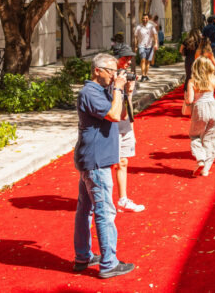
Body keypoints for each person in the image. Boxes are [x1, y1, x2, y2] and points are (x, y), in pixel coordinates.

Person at [73, 53, 136, 279]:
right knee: (104, 211)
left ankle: (83, 256)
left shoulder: (102, 91)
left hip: (94, 158)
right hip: (96, 160)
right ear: (97, 70)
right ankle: (109, 262)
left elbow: (123, 115)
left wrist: (125, 91)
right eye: (110, 70)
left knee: (86, 209)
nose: (114, 74)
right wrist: (118, 89)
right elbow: (112, 114)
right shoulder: (90, 92)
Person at [109, 45, 144, 213]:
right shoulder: (108, 79)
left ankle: (122, 199)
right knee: (109, 164)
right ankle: (104, 200)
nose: (128, 61)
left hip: (124, 127)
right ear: (115, 59)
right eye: (125, 58)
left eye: (130, 58)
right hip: (110, 128)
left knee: (123, 162)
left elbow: (127, 112)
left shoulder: (128, 78)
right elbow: (115, 112)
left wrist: (129, 93)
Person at [186, 56, 215, 176]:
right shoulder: (214, 79)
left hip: (200, 108)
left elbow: (189, 100)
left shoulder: (192, 81)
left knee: (195, 136)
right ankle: (206, 169)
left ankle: (200, 159)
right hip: (213, 108)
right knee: (211, 138)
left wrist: (186, 99)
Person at [134, 13, 158, 82]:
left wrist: (156, 44)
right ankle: (143, 75)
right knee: (143, 60)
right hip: (141, 46)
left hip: (150, 46)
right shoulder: (139, 27)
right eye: (143, 18)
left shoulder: (151, 26)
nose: (145, 20)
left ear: (148, 19)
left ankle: (146, 75)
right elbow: (135, 36)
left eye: (146, 18)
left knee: (148, 62)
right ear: (142, 19)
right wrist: (135, 46)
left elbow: (155, 35)